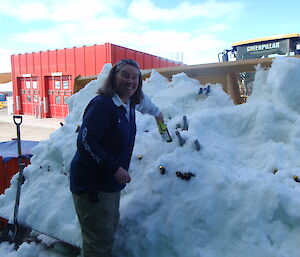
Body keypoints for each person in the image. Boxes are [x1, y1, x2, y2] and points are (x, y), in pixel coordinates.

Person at [70, 59, 163, 257]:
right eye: (125, 75)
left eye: (135, 77)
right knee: (98, 243)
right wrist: (114, 168)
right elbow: (86, 142)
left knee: (106, 234)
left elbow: (146, 104)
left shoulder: (128, 102)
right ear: (114, 77)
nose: (130, 81)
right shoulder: (103, 105)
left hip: (109, 184)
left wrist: (159, 115)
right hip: (92, 185)